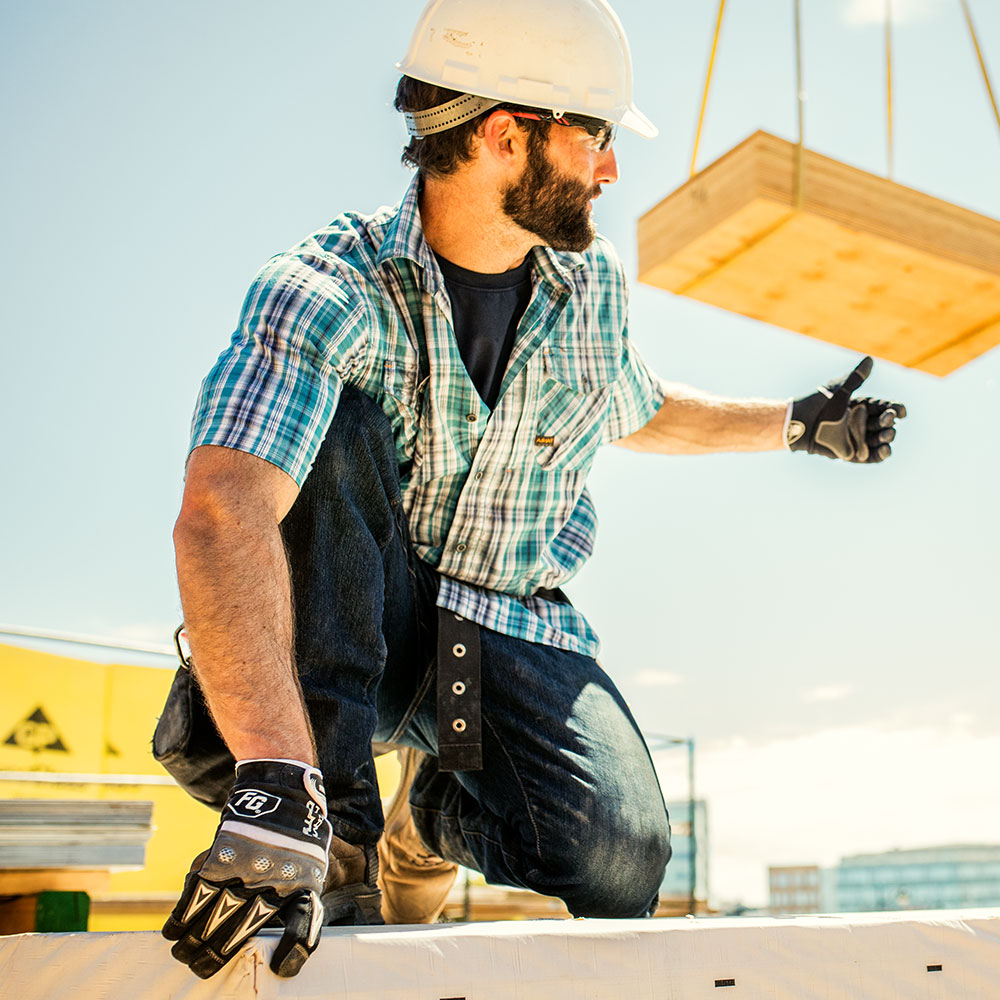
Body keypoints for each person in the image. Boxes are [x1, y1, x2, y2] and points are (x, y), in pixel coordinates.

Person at [160, 0, 906, 981]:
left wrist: (797, 424)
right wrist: (270, 771)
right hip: (347, 633)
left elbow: (633, 407)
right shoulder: (330, 284)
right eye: (596, 134)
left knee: (619, 860)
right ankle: (326, 822)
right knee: (327, 432)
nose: (610, 167)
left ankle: (426, 812)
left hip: (495, 632)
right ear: (505, 134)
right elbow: (224, 506)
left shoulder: (585, 290)